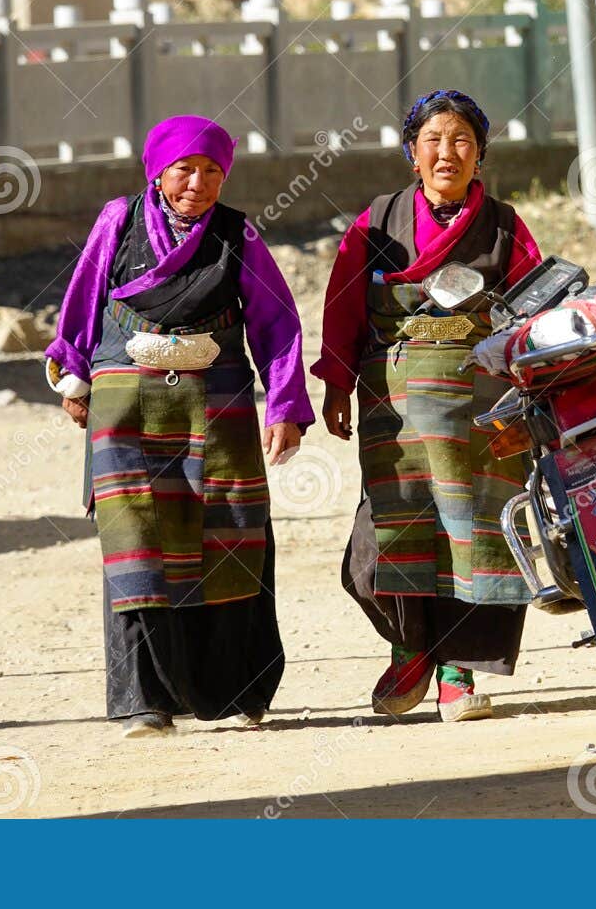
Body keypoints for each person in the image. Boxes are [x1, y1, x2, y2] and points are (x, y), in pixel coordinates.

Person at [45, 114, 313, 738]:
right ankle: (146, 701)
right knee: (135, 542)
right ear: (158, 171)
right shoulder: (120, 219)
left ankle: (237, 688)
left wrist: (284, 407)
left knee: (231, 534)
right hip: (125, 403)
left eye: (213, 171)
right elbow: (83, 300)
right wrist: (74, 374)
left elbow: (277, 325)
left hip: (217, 401)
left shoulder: (237, 234)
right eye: (185, 169)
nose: (198, 183)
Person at [314, 89, 544, 723]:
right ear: (412, 153)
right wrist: (336, 385)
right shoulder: (376, 221)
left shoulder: (504, 224)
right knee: (390, 531)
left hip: (480, 402)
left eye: (462, 140)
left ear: (481, 155)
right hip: (395, 400)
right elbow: (343, 307)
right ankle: (407, 648)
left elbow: (532, 305)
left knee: (471, 534)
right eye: (434, 141)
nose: (448, 153)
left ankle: (455, 672)